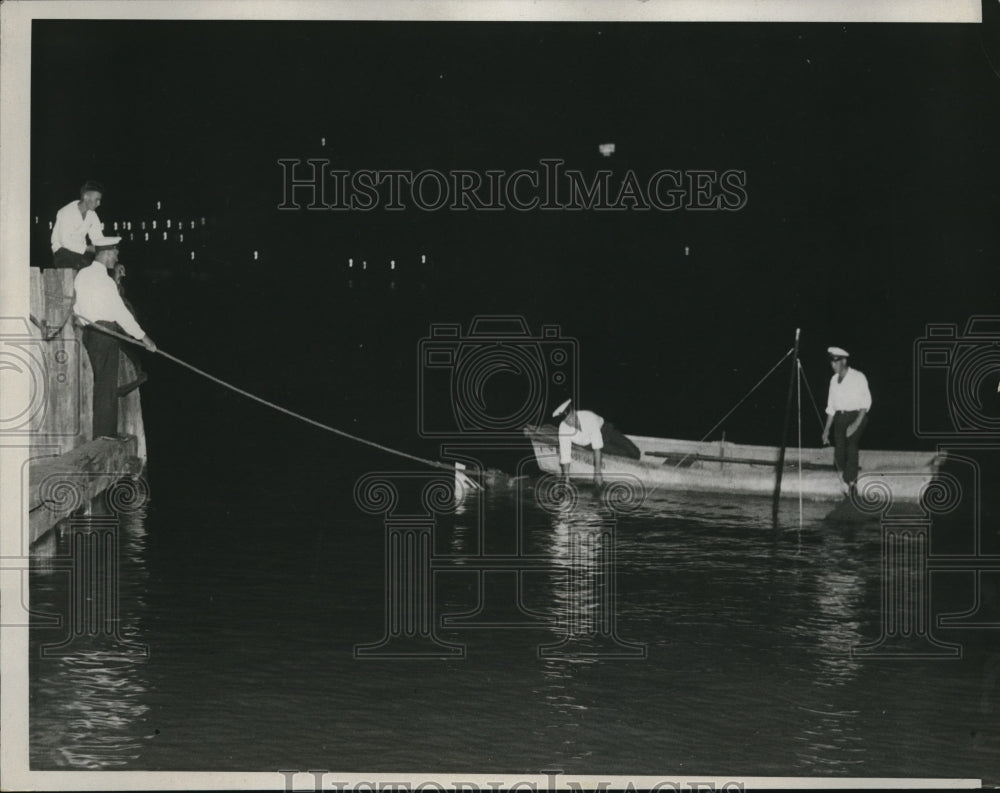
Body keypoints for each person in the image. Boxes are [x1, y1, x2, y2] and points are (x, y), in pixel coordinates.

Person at [73, 236, 157, 438]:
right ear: (107, 253)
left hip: (90, 334)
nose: (116, 257)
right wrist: (145, 339)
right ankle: (104, 436)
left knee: (102, 383)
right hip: (105, 335)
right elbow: (121, 314)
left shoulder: (82, 275)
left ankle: (103, 434)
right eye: (115, 253)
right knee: (106, 388)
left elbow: (76, 308)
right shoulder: (105, 282)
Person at [552, 399, 641, 486]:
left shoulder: (588, 417)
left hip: (606, 431)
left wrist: (597, 472)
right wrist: (566, 480)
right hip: (589, 444)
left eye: (571, 417)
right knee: (625, 455)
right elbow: (565, 454)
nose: (571, 422)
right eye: (567, 421)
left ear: (574, 412)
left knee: (635, 453)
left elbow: (597, 445)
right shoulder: (563, 428)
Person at [821, 346, 872, 491]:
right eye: (831, 362)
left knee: (851, 445)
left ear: (843, 361)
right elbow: (831, 408)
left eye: (835, 362)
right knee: (839, 455)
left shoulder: (858, 377)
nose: (832, 365)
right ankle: (848, 477)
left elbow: (866, 403)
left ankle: (852, 483)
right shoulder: (833, 380)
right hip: (840, 418)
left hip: (857, 416)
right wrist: (826, 431)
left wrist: (855, 424)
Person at [51, 180, 105, 270]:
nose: (99, 203)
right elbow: (65, 242)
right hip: (62, 252)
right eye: (97, 200)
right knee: (85, 266)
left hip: (81, 253)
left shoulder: (92, 214)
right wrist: (88, 248)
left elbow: (98, 237)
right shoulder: (66, 212)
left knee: (99, 266)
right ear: (86, 197)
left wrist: (105, 247)